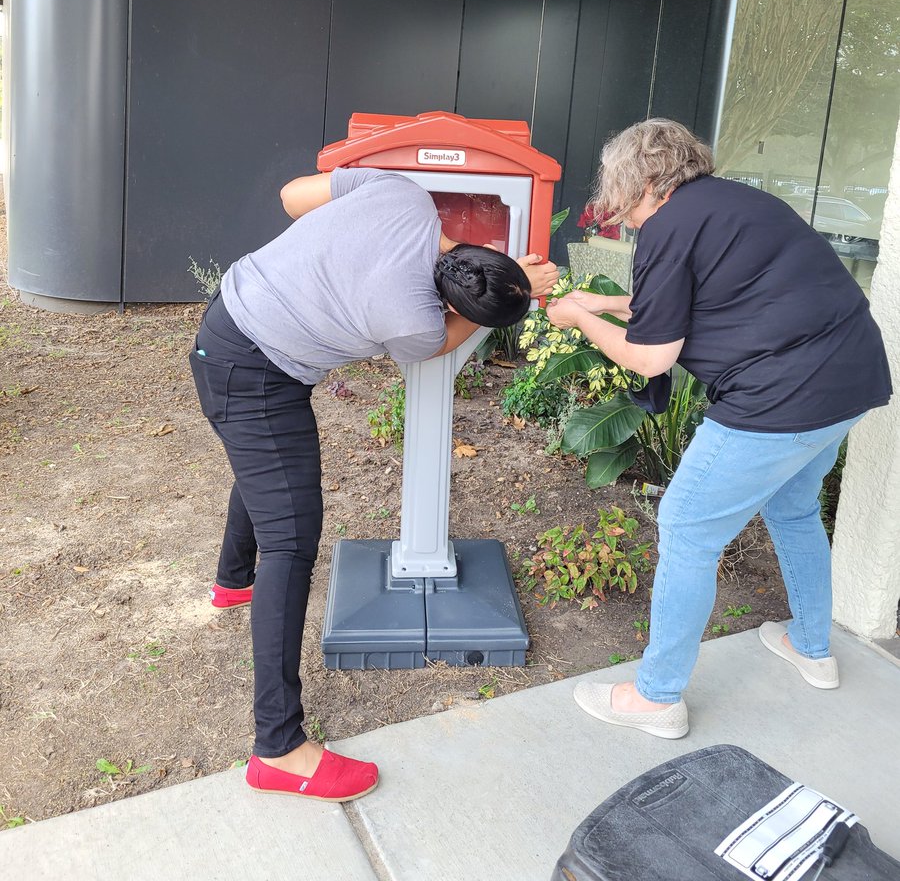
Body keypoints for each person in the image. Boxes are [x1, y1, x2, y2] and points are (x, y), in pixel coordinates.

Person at [190, 166, 558, 798]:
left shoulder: (403, 195)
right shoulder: (415, 322)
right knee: (292, 542)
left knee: (267, 467)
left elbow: (291, 197)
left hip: (230, 322)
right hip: (256, 377)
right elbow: (443, 340)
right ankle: (277, 748)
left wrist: (354, 258)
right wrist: (508, 299)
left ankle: (233, 582)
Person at [547, 118, 891, 740]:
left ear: (646, 178)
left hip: (778, 400)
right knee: (793, 508)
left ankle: (656, 697)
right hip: (850, 382)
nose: (615, 202)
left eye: (618, 186)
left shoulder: (668, 227)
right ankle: (812, 647)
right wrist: (606, 305)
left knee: (686, 528)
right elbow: (716, 296)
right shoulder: (741, 204)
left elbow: (651, 357)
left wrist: (577, 318)